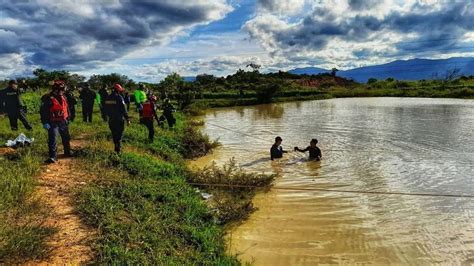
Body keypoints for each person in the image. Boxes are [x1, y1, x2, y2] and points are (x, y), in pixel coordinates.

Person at [40, 80, 72, 164]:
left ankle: (67, 152)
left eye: (63, 90)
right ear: (55, 89)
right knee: (53, 139)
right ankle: (53, 157)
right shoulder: (47, 98)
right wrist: (45, 122)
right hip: (53, 122)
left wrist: (68, 117)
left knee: (66, 138)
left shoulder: (64, 97)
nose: (62, 91)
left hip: (63, 121)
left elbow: (67, 108)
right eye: (61, 89)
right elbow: (43, 111)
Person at [104, 84, 130, 153]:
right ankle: (118, 149)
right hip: (119, 119)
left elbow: (105, 108)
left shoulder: (108, 97)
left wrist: (107, 116)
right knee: (120, 134)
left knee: (114, 133)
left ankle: (116, 146)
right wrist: (127, 119)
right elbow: (124, 109)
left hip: (111, 119)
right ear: (118, 90)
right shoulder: (119, 97)